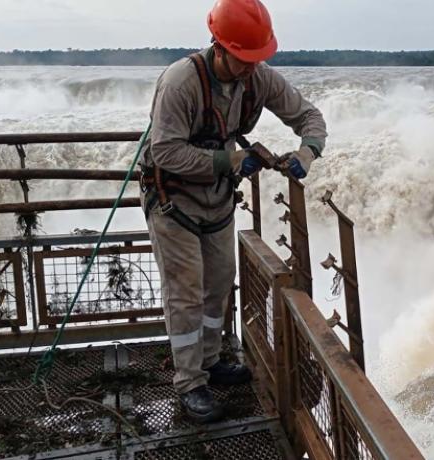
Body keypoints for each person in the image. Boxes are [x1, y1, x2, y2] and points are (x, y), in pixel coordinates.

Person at [138, 0, 326, 423]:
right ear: (218, 47)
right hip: (173, 201)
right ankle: (190, 383)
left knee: (220, 281)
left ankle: (209, 361)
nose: (249, 68)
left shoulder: (257, 78)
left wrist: (308, 152)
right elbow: (165, 152)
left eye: (256, 59)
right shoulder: (180, 82)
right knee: (185, 291)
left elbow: (309, 116)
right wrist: (230, 163)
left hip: (216, 200)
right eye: (243, 59)